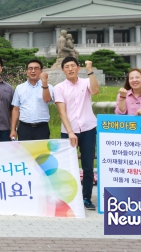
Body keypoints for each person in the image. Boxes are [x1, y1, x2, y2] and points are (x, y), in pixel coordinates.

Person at [54, 56, 99, 210]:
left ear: (78, 68)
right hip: (69, 132)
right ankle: (68, 198)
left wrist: (90, 71)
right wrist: (71, 132)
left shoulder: (86, 82)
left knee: (87, 166)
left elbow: (95, 90)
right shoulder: (59, 87)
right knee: (68, 166)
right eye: (67, 67)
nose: (70, 69)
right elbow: (62, 112)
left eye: (73, 66)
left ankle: (86, 198)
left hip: (88, 129)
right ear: (63, 70)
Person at [10, 59, 54, 141]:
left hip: (42, 127)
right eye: (30, 68)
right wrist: (13, 129)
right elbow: (16, 109)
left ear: (41, 71)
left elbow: (47, 99)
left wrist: (44, 82)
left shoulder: (49, 87)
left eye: (36, 68)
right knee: (24, 152)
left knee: (42, 152)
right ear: (26, 71)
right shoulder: (20, 88)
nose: (33, 71)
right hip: (24, 127)